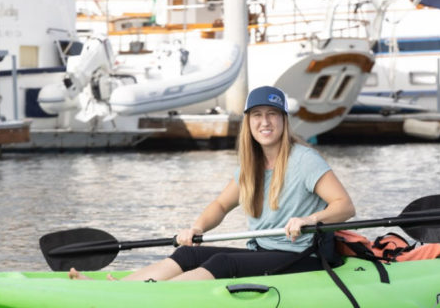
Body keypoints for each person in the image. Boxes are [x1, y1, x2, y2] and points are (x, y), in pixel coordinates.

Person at [70, 86, 354, 281]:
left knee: (222, 263)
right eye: (257, 115)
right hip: (266, 253)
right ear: (249, 122)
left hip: (304, 255)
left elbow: (344, 206)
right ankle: (121, 287)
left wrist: (310, 218)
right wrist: (197, 227)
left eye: (272, 115)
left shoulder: (304, 159)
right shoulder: (249, 166)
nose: (264, 122)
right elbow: (220, 205)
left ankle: (145, 297)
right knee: (190, 251)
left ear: (283, 120)